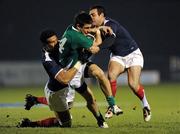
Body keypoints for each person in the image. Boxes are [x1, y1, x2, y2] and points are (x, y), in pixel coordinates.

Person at [18, 29, 108, 128]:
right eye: (51, 42)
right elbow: (65, 79)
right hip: (57, 93)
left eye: (56, 40)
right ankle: (30, 123)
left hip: (70, 83)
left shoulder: (62, 44)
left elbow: (85, 44)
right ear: (44, 44)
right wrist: (79, 62)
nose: (55, 43)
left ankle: (35, 100)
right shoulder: (47, 59)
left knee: (89, 96)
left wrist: (94, 40)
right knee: (66, 124)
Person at [89, 5, 151, 121]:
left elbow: (110, 41)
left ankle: (146, 105)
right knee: (111, 76)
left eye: (93, 15)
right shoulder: (95, 27)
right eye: (90, 15)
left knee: (133, 84)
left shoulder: (111, 24)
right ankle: (112, 106)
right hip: (118, 56)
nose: (91, 17)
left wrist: (98, 47)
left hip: (133, 54)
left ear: (101, 15)